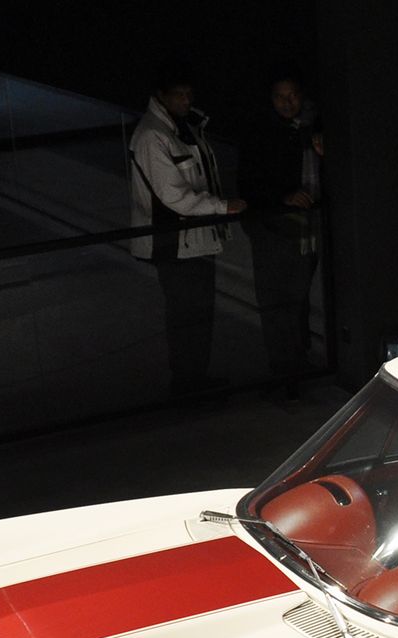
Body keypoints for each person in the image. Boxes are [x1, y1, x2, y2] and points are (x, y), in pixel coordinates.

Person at [128, 62, 245, 395]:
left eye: (188, 94)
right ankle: (188, 384)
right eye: (178, 94)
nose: (185, 100)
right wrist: (222, 206)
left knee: (196, 314)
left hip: (191, 241)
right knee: (187, 315)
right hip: (175, 243)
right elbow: (174, 197)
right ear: (161, 96)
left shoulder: (177, 129)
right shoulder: (154, 135)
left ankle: (194, 380)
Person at [240, 74, 322, 399]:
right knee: (278, 300)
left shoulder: (311, 127)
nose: (288, 104)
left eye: (293, 96)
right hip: (273, 226)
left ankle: (296, 359)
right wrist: (283, 198)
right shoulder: (262, 132)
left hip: (306, 225)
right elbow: (249, 184)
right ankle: (285, 370)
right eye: (280, 97)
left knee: (297, 297)